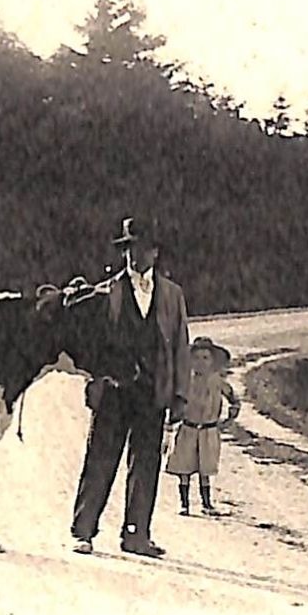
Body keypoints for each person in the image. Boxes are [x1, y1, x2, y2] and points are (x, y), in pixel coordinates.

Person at [70, 216, 191, 558]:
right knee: (100, 458)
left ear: (154, 252)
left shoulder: (172, 296)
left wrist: (180, 395)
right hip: (114, 390)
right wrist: (93, 382)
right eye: (128, 250)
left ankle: (136, 535)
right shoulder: (107, 291)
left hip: (153, 392)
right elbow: (92, 346)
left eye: (139, 249)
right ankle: (84, 531)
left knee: (146, 462)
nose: (133, 257)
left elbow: (181, 346)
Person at [165, 338, 241, 516]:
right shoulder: (185, 382)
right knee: (184, 466)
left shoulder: (218, 382)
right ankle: (184, 504)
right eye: (196, 358)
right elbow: (174, 402)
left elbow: (234, 401)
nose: (201, 362)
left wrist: (229, 419)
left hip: (209, 430)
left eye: (206, 358)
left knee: (205, 467)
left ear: (213, 361)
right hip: (188, 429)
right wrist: (170, 424)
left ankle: (206, 503)